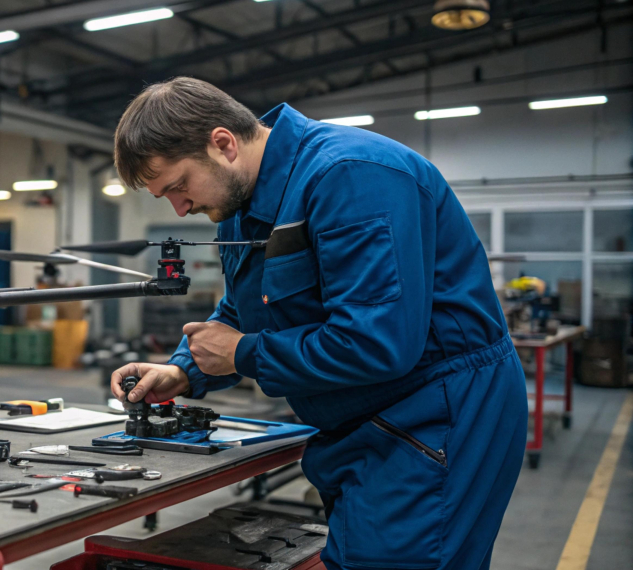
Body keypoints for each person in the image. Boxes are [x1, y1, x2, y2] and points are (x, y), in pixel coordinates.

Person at [109, 77, 526, 570]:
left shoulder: (350, 176)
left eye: (179, 186)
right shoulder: (240, 206)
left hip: (437, 415)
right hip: (359, 419)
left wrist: (243, 355)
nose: (181, 207)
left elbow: (377, 342)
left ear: (222, 144)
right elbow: (247, 309)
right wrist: (184, 370)